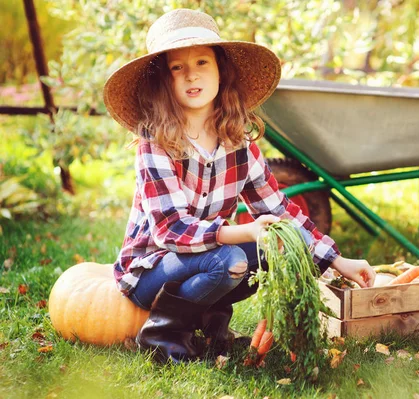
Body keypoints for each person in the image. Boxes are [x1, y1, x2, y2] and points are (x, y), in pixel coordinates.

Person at [103, 8, 375, 364]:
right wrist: (243, 232)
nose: (191, 75)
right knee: (230, 258)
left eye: (202, 62)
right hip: (152, 267)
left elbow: (280, 211)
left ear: (221, 72)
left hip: (207, 257)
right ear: (163, 81)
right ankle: (163, 334)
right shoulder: (155, 142)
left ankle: (211, 326)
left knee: (274, 250)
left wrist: (338, 261)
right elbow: (170, 230)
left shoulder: (238, 145)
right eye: (177, 67)